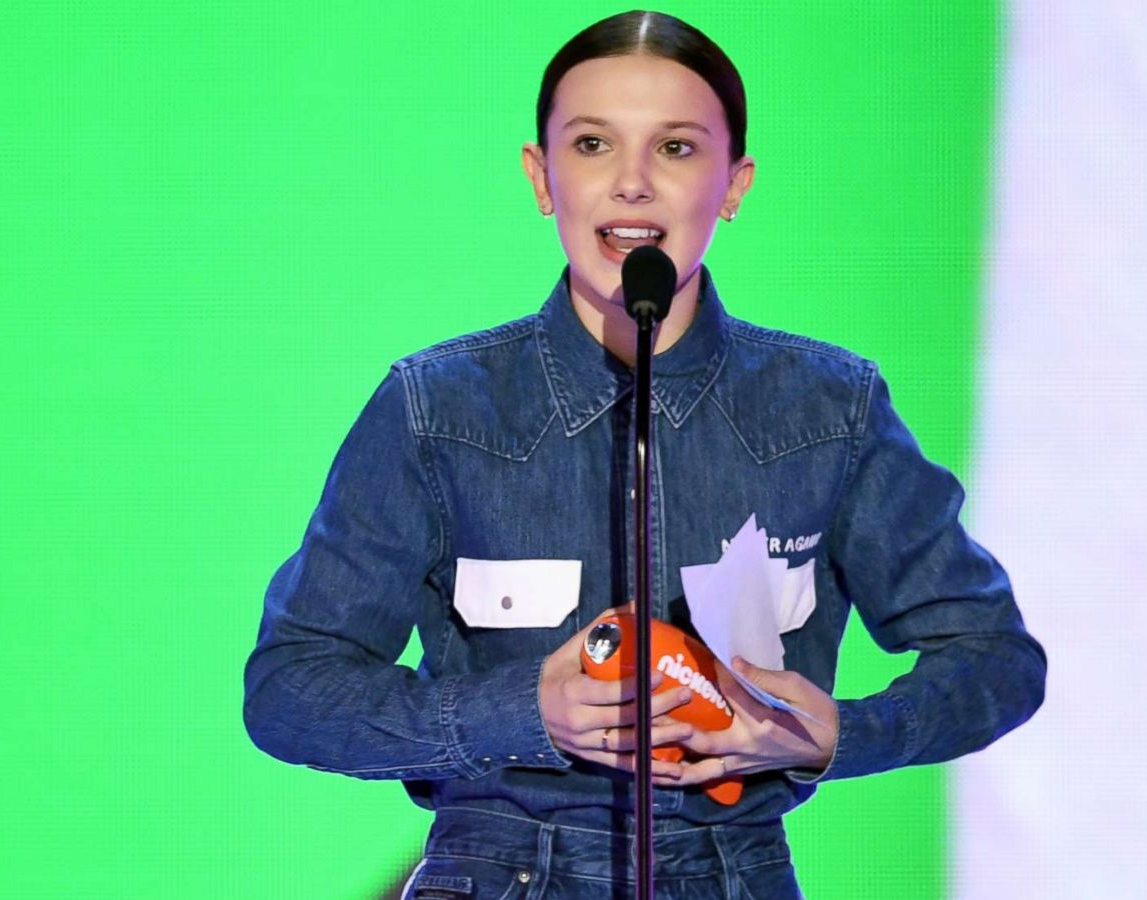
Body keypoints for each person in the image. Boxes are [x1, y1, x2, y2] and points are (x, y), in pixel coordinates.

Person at [243, 10, 1045, 899]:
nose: (631, 186)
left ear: (733, 184)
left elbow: (995, 660)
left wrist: (835, 735)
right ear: (541, 177)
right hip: (500, 867)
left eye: (675, 149)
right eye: (591, 144)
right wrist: (521, 713)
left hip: (733, 869)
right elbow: (292, 691)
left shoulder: (830, 409)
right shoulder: (438, 407)